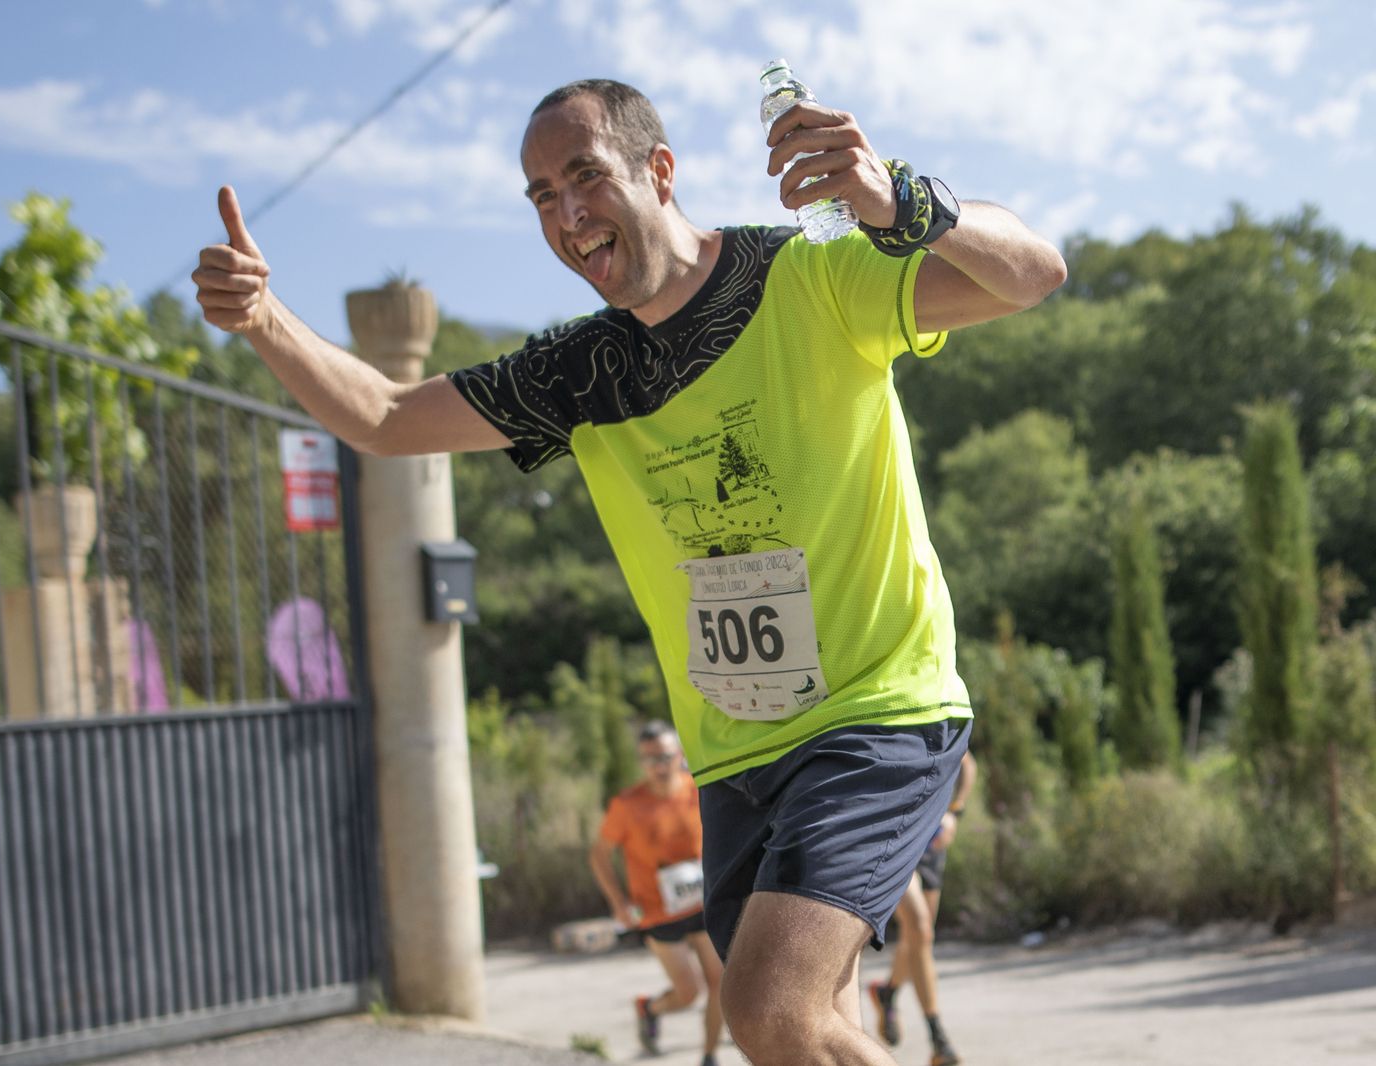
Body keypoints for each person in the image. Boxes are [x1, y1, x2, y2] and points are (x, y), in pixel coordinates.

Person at [193, 76, 1065, 1065]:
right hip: (734, 757)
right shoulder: (577, 373)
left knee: (767, 1005)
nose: (566, 214)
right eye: (541, 197)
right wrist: (262, 318)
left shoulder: (810, 277)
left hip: (876, 712)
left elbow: (1032, 273)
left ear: (659, 170)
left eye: (585, 177)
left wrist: (902, 201)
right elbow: (386, 419)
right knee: (804, 1033)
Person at [590, 720, 725, 1064]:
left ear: (679, 754)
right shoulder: (628, 804)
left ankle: (709, 1055)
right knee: (689, 993)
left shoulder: (699, 790)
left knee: (720, 984)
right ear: (641, 762)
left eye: (665, 757)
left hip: (702, 903)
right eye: (650, 759)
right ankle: (650, 1008)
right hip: (657, 912)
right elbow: (600, 854)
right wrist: (619, 903)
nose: (659, 766)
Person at [869, 751, 978, 1066]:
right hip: (895, 837)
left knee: (919, 938)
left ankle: (888, 992)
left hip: (931, 840)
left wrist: (955, 811)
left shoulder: (934, 721)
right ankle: (938, 1039)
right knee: (919, 927)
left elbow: (967, 763)